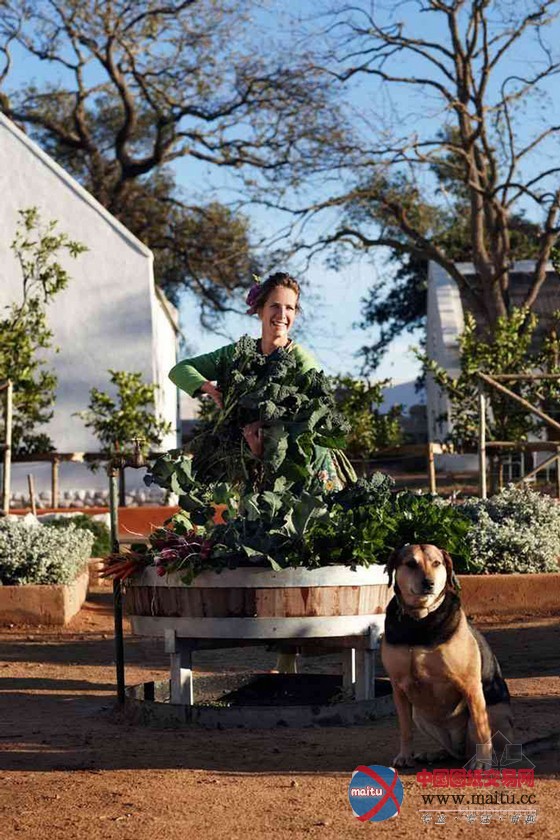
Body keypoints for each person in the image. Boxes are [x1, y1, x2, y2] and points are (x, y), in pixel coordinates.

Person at [170, 271, 353, 490]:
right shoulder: (239, 354)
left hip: (305, 470)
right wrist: (211, 389)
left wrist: (269, 439)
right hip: (254, 467)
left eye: (290, 308)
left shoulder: (302, 362)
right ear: (260, 309)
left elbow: (314, 422)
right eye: (275, 306)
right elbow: (180, 370)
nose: (282, 314)